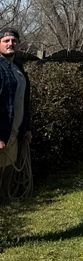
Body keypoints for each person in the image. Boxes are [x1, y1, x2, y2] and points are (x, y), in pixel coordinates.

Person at [0, 26, 31, 200]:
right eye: (5, 41)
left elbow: (24, 102)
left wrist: (27, 129)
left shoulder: (18, 68)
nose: (10, 43)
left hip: (14, 135)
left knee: (7, 176)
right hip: (1, 136)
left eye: (13, 41)